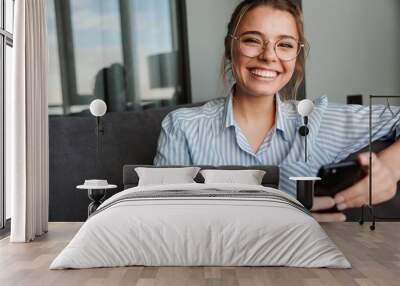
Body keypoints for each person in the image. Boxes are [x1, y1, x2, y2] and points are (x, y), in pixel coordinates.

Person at [153, 0, 400, 222]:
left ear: (296, 56)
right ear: (230, 48)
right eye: (252, 40)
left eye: (285, 44)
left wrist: (389, 168)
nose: (269, 56)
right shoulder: (182, 127)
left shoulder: (318, 120)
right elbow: (163, 219)